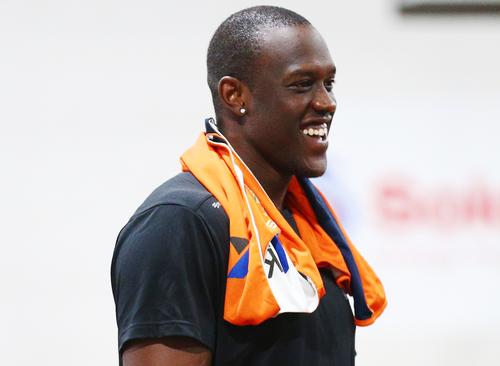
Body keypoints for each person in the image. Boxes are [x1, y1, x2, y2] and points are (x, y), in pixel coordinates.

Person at [110, 6, 386, 366]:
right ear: (235, 96)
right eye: (302, 84)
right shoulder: (179, 223)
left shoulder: (310, 229)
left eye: (328, 84)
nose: (326, 102)